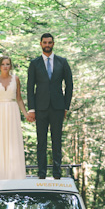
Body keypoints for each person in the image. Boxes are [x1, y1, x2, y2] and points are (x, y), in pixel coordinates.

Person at [27, 33, 73, 179]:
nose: (47, 45)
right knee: (41, 142)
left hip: (58, 107)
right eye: (45, 43)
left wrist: (66, 106)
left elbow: (69, 85)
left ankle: (57, 173)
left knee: (57, 140)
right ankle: (41, 173)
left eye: (50, 42)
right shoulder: (34, 63)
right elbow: (30, 87)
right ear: (41, 44)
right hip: (40, 108)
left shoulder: (62, 62)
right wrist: (31, 109)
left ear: (53, 44)